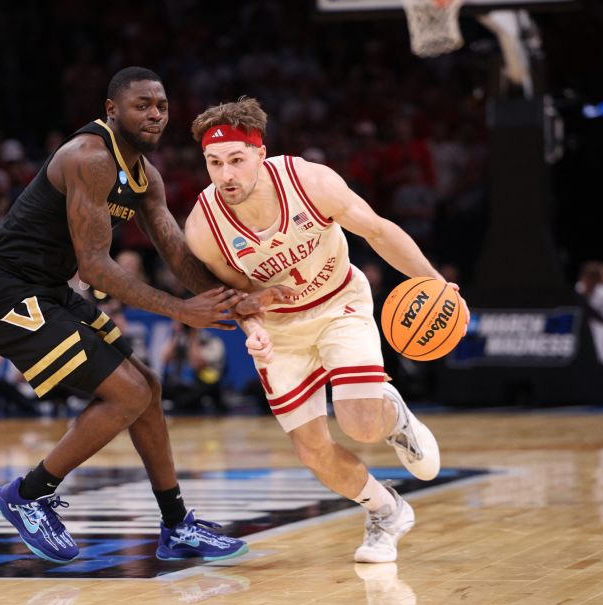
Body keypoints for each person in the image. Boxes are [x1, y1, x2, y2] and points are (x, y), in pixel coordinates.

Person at [0, 67, 280, 565]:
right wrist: (180, 309)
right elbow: (94, 266)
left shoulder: (145, 175)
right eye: (142, 105)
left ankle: (177, 526)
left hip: (46, 289)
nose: (155, 114)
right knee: (126, 392)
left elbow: (176, 253)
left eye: (162, 106)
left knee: (148, 389)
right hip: (4, 293)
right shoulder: (88, 158)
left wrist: (231, 299)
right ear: (112, 110)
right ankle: (28, 494)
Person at [183, 97, 470, 564]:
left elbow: (376, 232)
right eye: (214, 163)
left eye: (236, 160)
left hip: (339, 303)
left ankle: (392, 416)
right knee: (313, 452)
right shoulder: (204, 228)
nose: (226, 174)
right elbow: (240, 297)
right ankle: (386, 510)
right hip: (281, 332)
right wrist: (252, 324)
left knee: (361, 425)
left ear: (261, 154)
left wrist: (436, 283)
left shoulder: (309, 181)